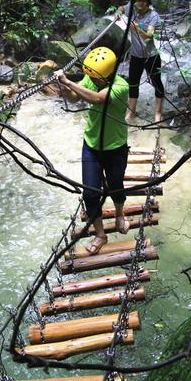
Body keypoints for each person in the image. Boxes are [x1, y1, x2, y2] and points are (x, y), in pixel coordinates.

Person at [54, 47, 131, 255]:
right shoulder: (92, 79)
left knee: (116, 185)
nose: (92, 80)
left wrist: (68, 81)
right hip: (92, 145)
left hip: (115, 146)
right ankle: (100, 234)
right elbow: (74, 98)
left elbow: (97, 98)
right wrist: (63, 85)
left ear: (107, 75)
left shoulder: (121, 86)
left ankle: (119, 214)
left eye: (96, 78)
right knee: (90, 193)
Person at [117, 0, 165, 125]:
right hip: (136, 56)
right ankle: (131, 112)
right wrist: (119, 12)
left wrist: (136, 28)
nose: (140, 3)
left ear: (148, 1)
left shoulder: (153, 16)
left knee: (157, 83)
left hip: (151, 56)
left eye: (143, 0)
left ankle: (158, 112)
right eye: (138, 0)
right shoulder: (131, 9)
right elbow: (121, 8)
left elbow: (149, 35)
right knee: (133, 84)